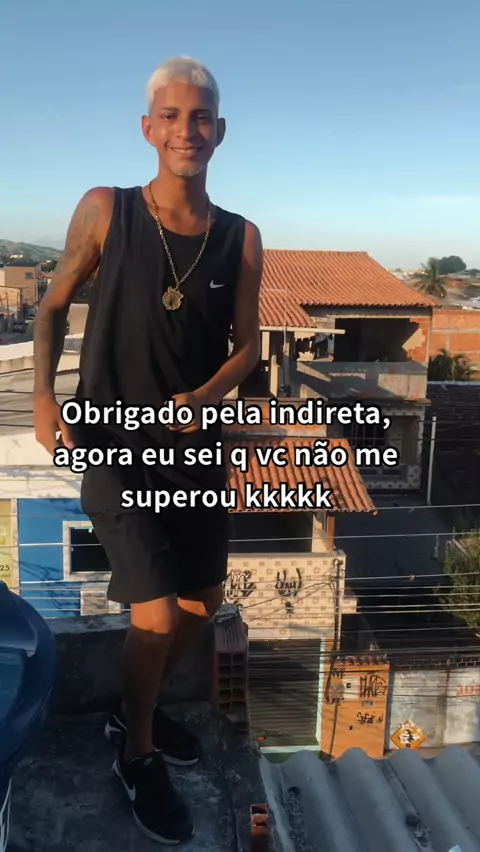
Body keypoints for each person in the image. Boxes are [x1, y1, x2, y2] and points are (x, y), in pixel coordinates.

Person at [33, 56, 263, 845]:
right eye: (171, 115)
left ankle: (139, 711)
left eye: (200, 117)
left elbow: (248, 346)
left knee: (203, 598)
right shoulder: (107, 209)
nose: (185, 129)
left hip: (194, 450)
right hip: (113, 443)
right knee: (157, 614)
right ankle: (136, 751)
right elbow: (52, 304)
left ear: (220, 131)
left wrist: (208, 396)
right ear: (147, 128)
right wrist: (43, 395)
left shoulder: (240, 237)